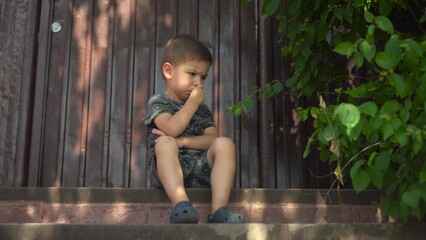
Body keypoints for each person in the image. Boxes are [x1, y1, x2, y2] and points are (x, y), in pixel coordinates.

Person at [143, 34, 246, 224]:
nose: (199, 82)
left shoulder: (202, 110)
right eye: (192, 74)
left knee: (225, 144)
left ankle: (219, 211)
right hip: (167, 172)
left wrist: (182, 141)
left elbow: (213, 139)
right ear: (168, 71)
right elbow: (172, 129)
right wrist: (192, 104)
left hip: (200, 169)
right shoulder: (158, 102)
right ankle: (181, 205)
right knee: (165, 143)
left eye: (203, 76)